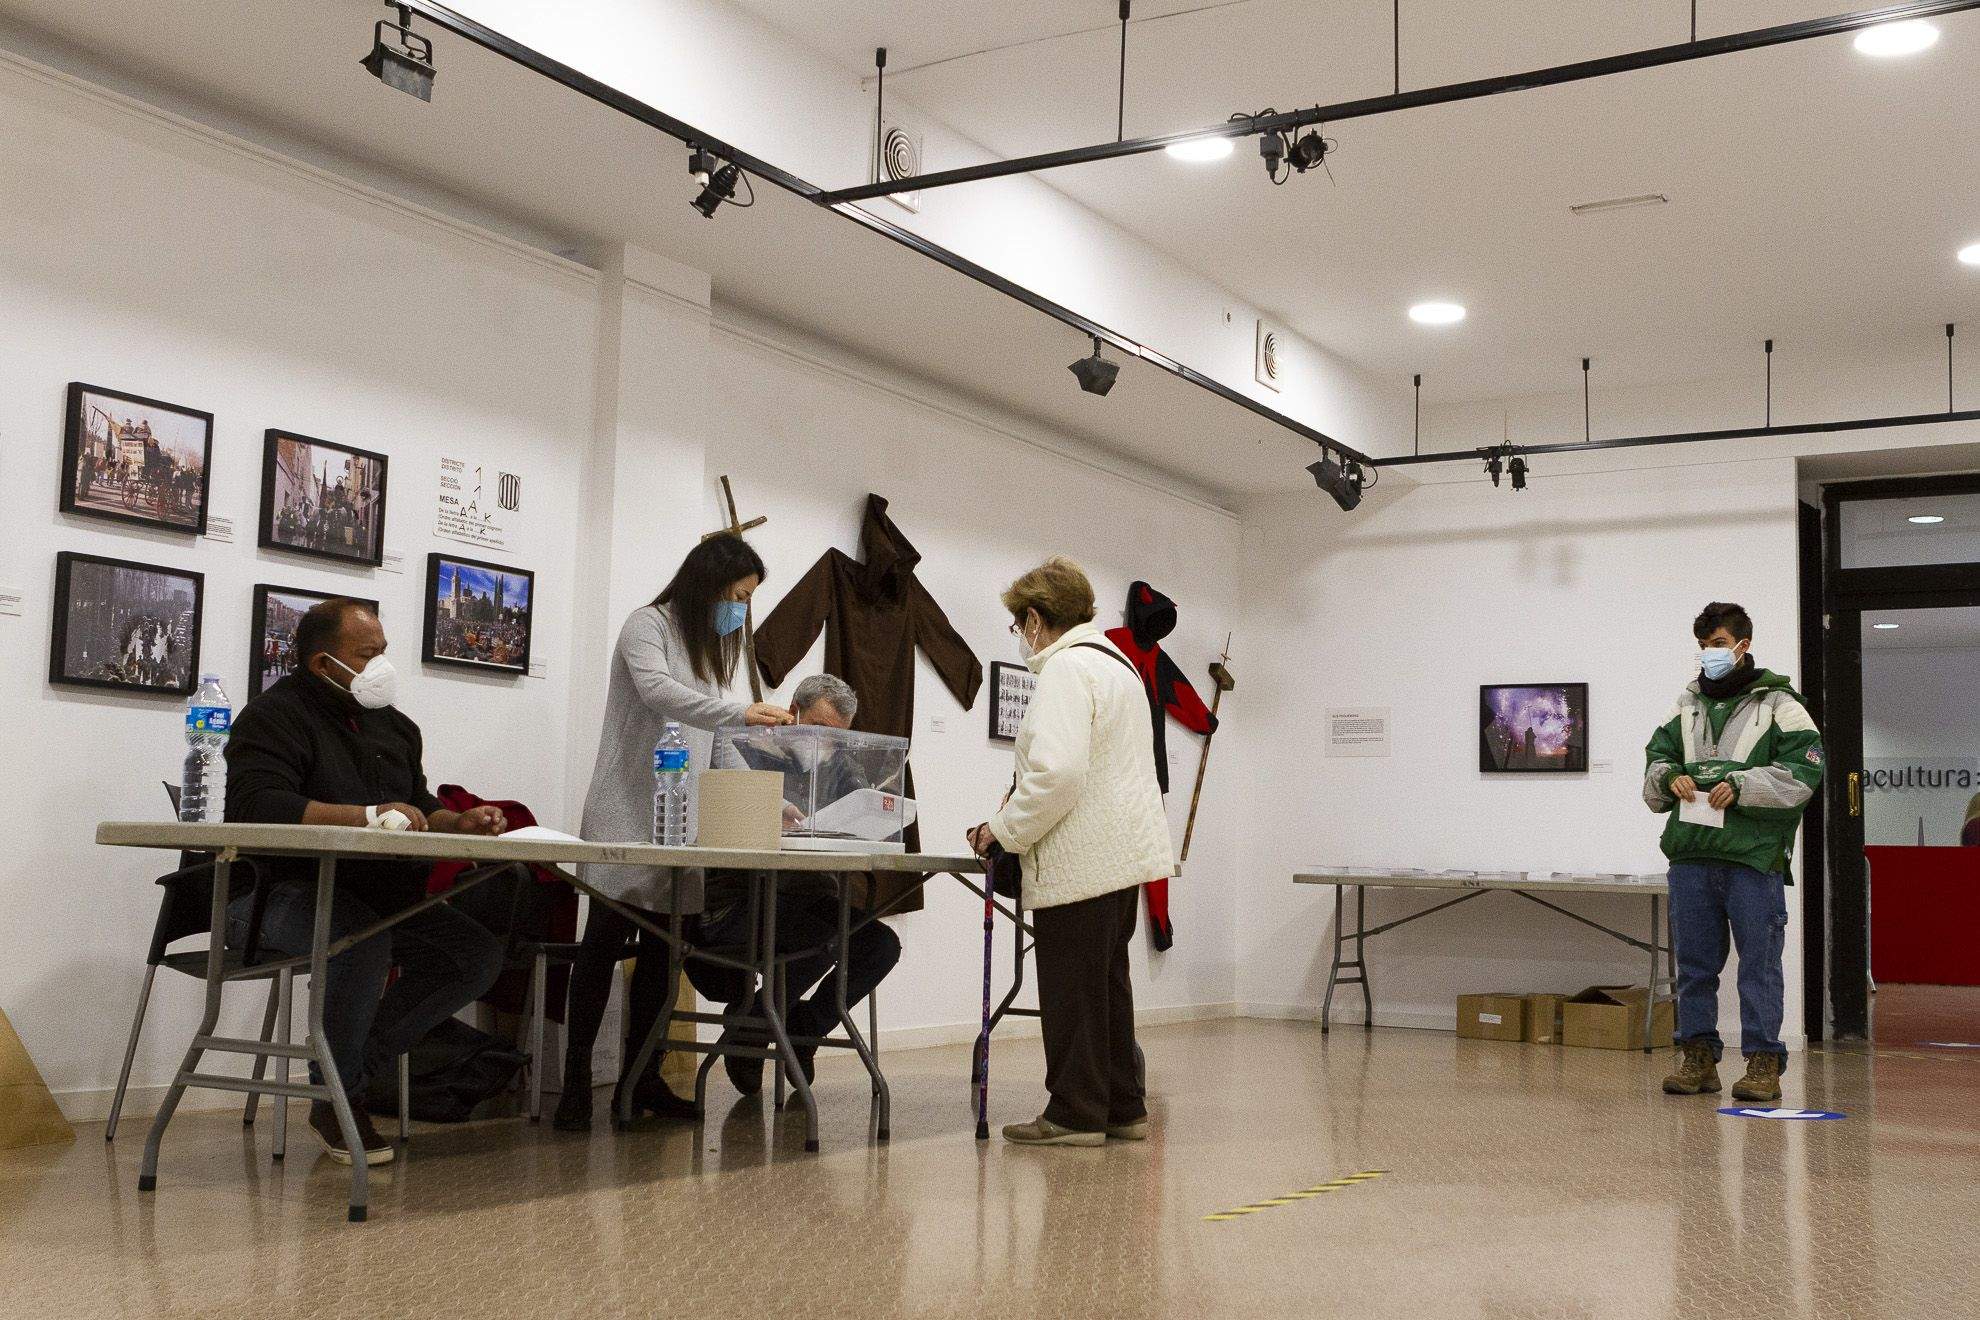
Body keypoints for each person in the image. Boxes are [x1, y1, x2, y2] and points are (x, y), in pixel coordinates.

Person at [224, 599, 507, 1166]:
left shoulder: (397, 726)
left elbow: (419, 803)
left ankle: (345, 1076)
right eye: (366, 654)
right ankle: (339, 1093)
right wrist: (366, 815)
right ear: (323, 663)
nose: (381, 664)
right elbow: (259, 804)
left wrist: (458, 820)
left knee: (472, 954)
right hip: (271, 895)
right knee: (361, 940)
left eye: (382, 651)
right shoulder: (271, 717)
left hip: (375, 895)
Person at [556, 535, 794, 1131]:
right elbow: (660, 694)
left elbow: (714, 746)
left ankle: (640, 1082)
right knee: (604, 945)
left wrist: (770, 803)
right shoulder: (648, 626)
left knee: (664, 959)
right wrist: (741, 713)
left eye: (746, 601)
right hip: (624, 811)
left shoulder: (712, 652)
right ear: (709, 583)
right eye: (738, 596)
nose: (740, 610)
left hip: (678, 824)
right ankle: (575, 1082)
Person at [967, 557, 1174, 1147]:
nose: (1021, 636)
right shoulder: (1120, 668)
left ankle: (1077, 1113)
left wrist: (1002, 831)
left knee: (1070, 989)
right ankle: (1122, 1108)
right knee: (1109, 985)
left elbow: (1056, 775)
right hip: (1123, 857)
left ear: (1035, 618)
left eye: (1019, 625)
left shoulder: (1064, 670)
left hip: (1080, 860)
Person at [1644, 601, 1823, 1105]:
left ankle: (1763, 1062)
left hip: (1752, 859)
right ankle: (1698, 1057)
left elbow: (1804, 774)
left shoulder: (1781, 705)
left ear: (1743, 645)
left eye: (1718, 644)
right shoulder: (1685, 703)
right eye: (1703, 646)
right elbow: (1656, 763)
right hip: (1692, 856)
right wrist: (1667, 777)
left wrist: (1741, 785)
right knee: (1696, 966)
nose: (1709, 655)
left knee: (1758, 965)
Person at [701, 671, 903, 1098]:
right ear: (793, 713)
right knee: (821, 935)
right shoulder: (751, 745)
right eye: (824, 731)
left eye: (841, 737)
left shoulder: (839, 761)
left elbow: (859, 811)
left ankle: (799, 1030)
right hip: (746, 895)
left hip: (812, 895)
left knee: (880, 945)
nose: (831, 743)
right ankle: (757, 1028)